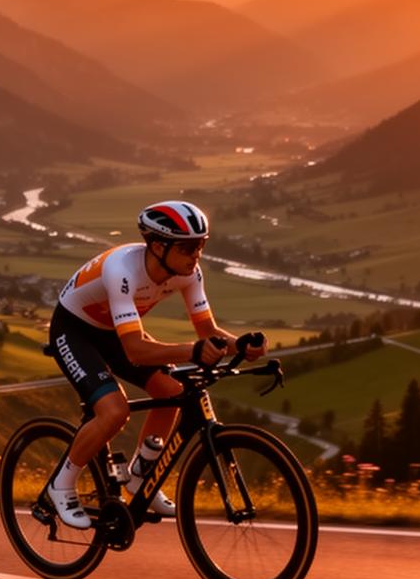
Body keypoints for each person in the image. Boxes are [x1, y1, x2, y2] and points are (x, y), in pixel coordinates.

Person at [44, 200, 265, 529]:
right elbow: (135, 350)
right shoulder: (122, 270)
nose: (197, 255)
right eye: (189, 247)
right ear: (159, 245)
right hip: (74, 329)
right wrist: (193, 351)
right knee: (114, 411)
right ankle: (59, 487)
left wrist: (239, 344)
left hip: (112, 333)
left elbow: (207, 331)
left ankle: (139, 478)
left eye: (201, 245)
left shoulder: (187, 273)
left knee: (170, 390)